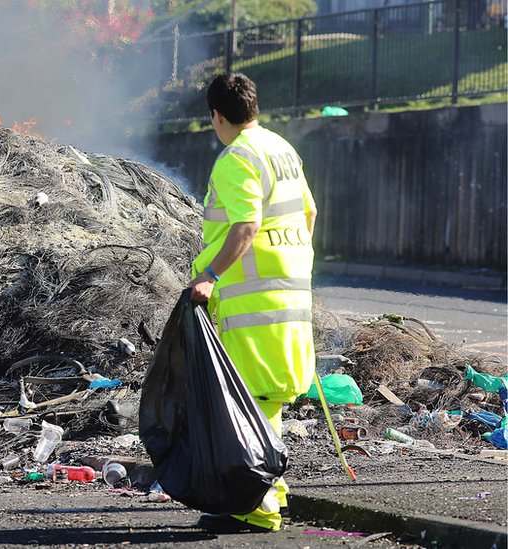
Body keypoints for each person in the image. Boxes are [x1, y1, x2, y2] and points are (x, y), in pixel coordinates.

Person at [188, 72, 317, 534]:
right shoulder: (282, 149)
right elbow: (309, 213)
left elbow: (245, 226)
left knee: (246, 405)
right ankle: (268, 497)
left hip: (252, 303)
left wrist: (209, 275)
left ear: (217, 116)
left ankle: (257, 508)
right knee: (267, 404)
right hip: (289, 298)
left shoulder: (235, 157)